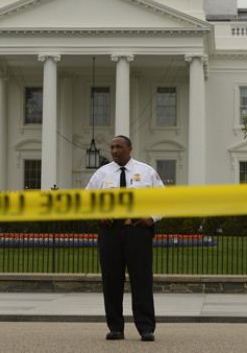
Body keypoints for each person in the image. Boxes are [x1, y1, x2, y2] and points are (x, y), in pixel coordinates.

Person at [85, 135, 164, 342]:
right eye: (112, 147)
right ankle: (115, 328)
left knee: (142, 280)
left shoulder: (146, 172)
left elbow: (164, 200)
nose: (114, 151)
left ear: (130, 148)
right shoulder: (102, 174)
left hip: (138, 231)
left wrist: (152, 217)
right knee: (111, 281)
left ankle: (146, 328)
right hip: (110, 232)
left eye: (119, 147)